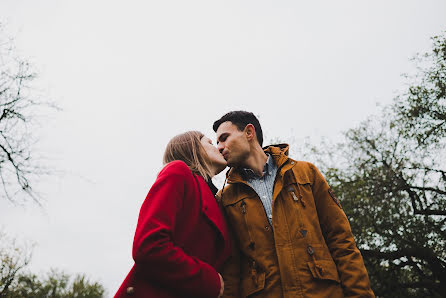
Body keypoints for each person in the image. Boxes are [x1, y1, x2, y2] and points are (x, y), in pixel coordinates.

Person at [213, 111, 374, 298]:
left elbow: (340, 240)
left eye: (224, 138)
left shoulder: (305, 173)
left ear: (249, 132)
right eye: (217, 142)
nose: (219, 147)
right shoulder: (225, 198)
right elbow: (231, 269)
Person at [115, 131, 231, 298]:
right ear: (193, 147)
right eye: (211, 143)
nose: (219, 148)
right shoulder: (178, 171)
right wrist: (210, 281)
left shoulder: (219, 201)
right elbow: (149, 247)